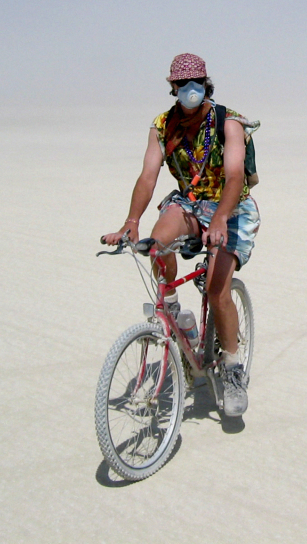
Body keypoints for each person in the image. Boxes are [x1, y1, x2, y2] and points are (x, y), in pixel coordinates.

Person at [102, 53, 259, 417]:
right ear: (173, 87)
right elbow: (148, 176)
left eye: (197, 82)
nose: (190, 89)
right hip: (190, 203)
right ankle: (171, 312)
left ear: (206, 84)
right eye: (182, 84)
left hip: (231, 208)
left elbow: (234, 176)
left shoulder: (228, 122)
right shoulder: (162, 126)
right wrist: (131, 221)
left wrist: (220, 219)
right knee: (157, 245)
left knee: (218, 291)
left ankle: (232, 369)